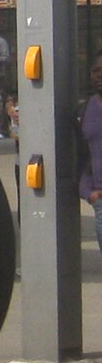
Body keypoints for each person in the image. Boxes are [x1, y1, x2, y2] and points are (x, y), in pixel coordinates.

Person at [79, 49, 102, 252]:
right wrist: (88, 191)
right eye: (96, 70)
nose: (100, 75)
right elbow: (81, 156)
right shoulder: (87, 108)